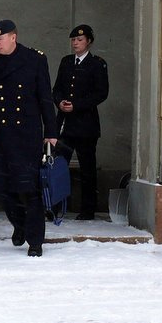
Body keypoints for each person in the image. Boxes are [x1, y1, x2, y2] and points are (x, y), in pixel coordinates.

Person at [0, 19, 57, 257]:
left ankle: (35, 241)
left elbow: (45, 97)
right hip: (0, 134)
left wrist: (51, 133)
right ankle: (20, 225)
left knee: (29, 189)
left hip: (26, 133)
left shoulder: (34, 59)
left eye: (1, 39)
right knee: (3, 189)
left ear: (13, 37)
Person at [52, 24, 109, 220]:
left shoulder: (97, 64)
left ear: (89, 42)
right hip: (65, 124)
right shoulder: (66, 62)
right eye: (73, 40)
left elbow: (101, 93)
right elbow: (57, 88)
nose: (75, 43)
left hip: (86, 125)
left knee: (87, 169)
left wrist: (76, 105)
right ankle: (55, 207)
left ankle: (87, 209)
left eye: (80, 40)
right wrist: (59, 101)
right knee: (58, 167)